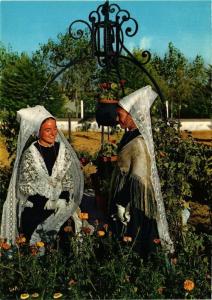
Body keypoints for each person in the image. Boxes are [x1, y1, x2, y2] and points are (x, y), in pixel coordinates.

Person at [1, 105, 84, 246]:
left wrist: (62, 199)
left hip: (60, 205)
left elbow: (68, 180)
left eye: (55, 128)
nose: (53, 133)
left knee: (69, 230)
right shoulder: (30, 154)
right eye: (47, 130)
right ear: (37, 132)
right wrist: (47, 202)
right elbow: (25, 185)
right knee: (36, 232)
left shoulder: (62, 151)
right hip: (37, 206)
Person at [109, 86, 174, 257]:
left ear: (131, 115)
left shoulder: (138, 141)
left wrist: (123, 202)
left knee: (135, 241)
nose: (117, 119)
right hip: (126, 196)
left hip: (134, 201)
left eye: (120, 115)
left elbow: (138, 177)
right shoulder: (129, 135)